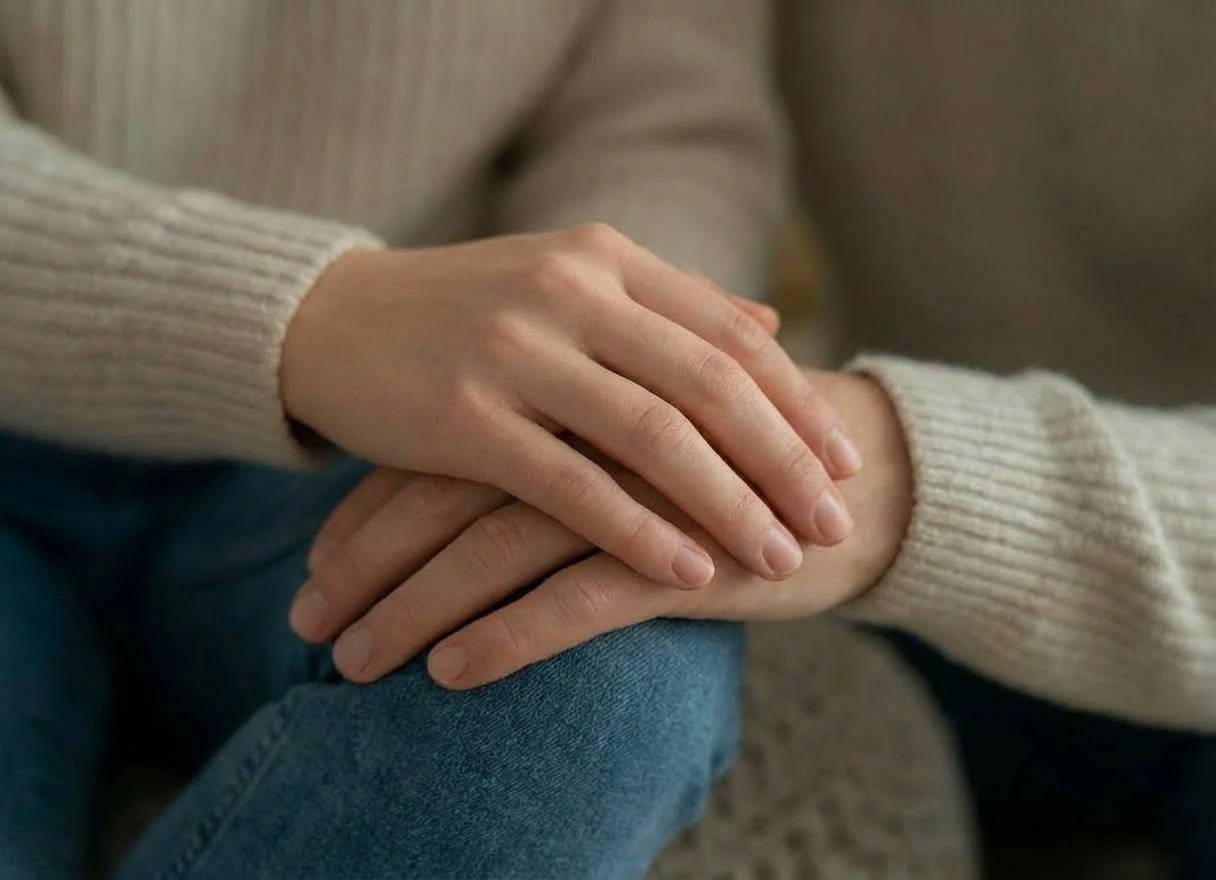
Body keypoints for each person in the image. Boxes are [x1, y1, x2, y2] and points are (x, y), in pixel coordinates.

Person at [305, 2, 1215, 878]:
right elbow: (665, 123)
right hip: (917, 613)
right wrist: (604, 379)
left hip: (1030, 549)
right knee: (606, 687)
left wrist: (909, 476)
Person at [0, 2, 838, 878]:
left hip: (381, 444)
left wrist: (597, 373)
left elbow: (661, 129)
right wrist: (313, 317)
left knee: (598, 649)